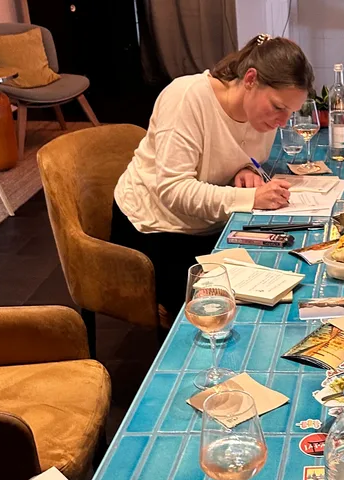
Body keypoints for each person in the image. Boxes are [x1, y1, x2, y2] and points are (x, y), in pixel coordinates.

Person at [111, 34, 314, 317]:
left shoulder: (260, 115)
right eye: (278, 107)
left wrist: (245, 169)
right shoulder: (187, 98)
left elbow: (240, 151)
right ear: (251, 79)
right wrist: (250, 197)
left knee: (286, 279)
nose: (282, 122)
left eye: (290, 113)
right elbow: (173, 191)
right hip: (157, 229)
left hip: (211, 224)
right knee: (230, 309)